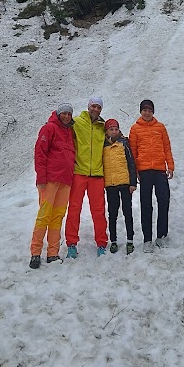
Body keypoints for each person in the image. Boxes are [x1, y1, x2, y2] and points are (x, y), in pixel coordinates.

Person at [29, 102, 76, 269]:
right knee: (44, 215)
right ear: (58, 114)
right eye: (64, 113)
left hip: (65, 181)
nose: (66, 116)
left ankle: (52, 253)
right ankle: (35, 252)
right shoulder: (48, 128)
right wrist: (41, 177)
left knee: (57, 217)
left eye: (69, 114)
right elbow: (40, 153)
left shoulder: (70, 131)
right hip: (49, 181)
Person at [129, 99, 174, 253]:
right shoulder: (135, 129)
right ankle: (147, 239)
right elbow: (133, 152)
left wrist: (170, 166)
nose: (147, 113)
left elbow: (167, 147)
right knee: (146, 205)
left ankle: (161, 235)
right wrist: (135, 173)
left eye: (149, 110)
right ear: (141, 111)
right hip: (145, 171)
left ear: (153, 112)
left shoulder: (160, 127)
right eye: (144, 110)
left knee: (164, 201)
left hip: (160, 170)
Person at [65, 96, 108, 257]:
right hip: (79, 172)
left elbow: (112, 137)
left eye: (99, 107)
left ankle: (102, 243)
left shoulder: (102, 127)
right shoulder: (76, 122)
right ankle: (71, 243)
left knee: (98, 211)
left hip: (97, 174)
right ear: (88, 106)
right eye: (94, 106)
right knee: (74, 209)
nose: (96, 109)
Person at [103, 118, 137, 254]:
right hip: (110, 185)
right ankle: (114, 241)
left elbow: (131, 162)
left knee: (127, 212)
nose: (114, 131)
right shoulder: (103, 145)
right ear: (106, 131)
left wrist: (133, 182)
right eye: (111, 129)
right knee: (112, 213)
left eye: (116, 129)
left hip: (124, 183)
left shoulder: (124, 142)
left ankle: (130, 240)